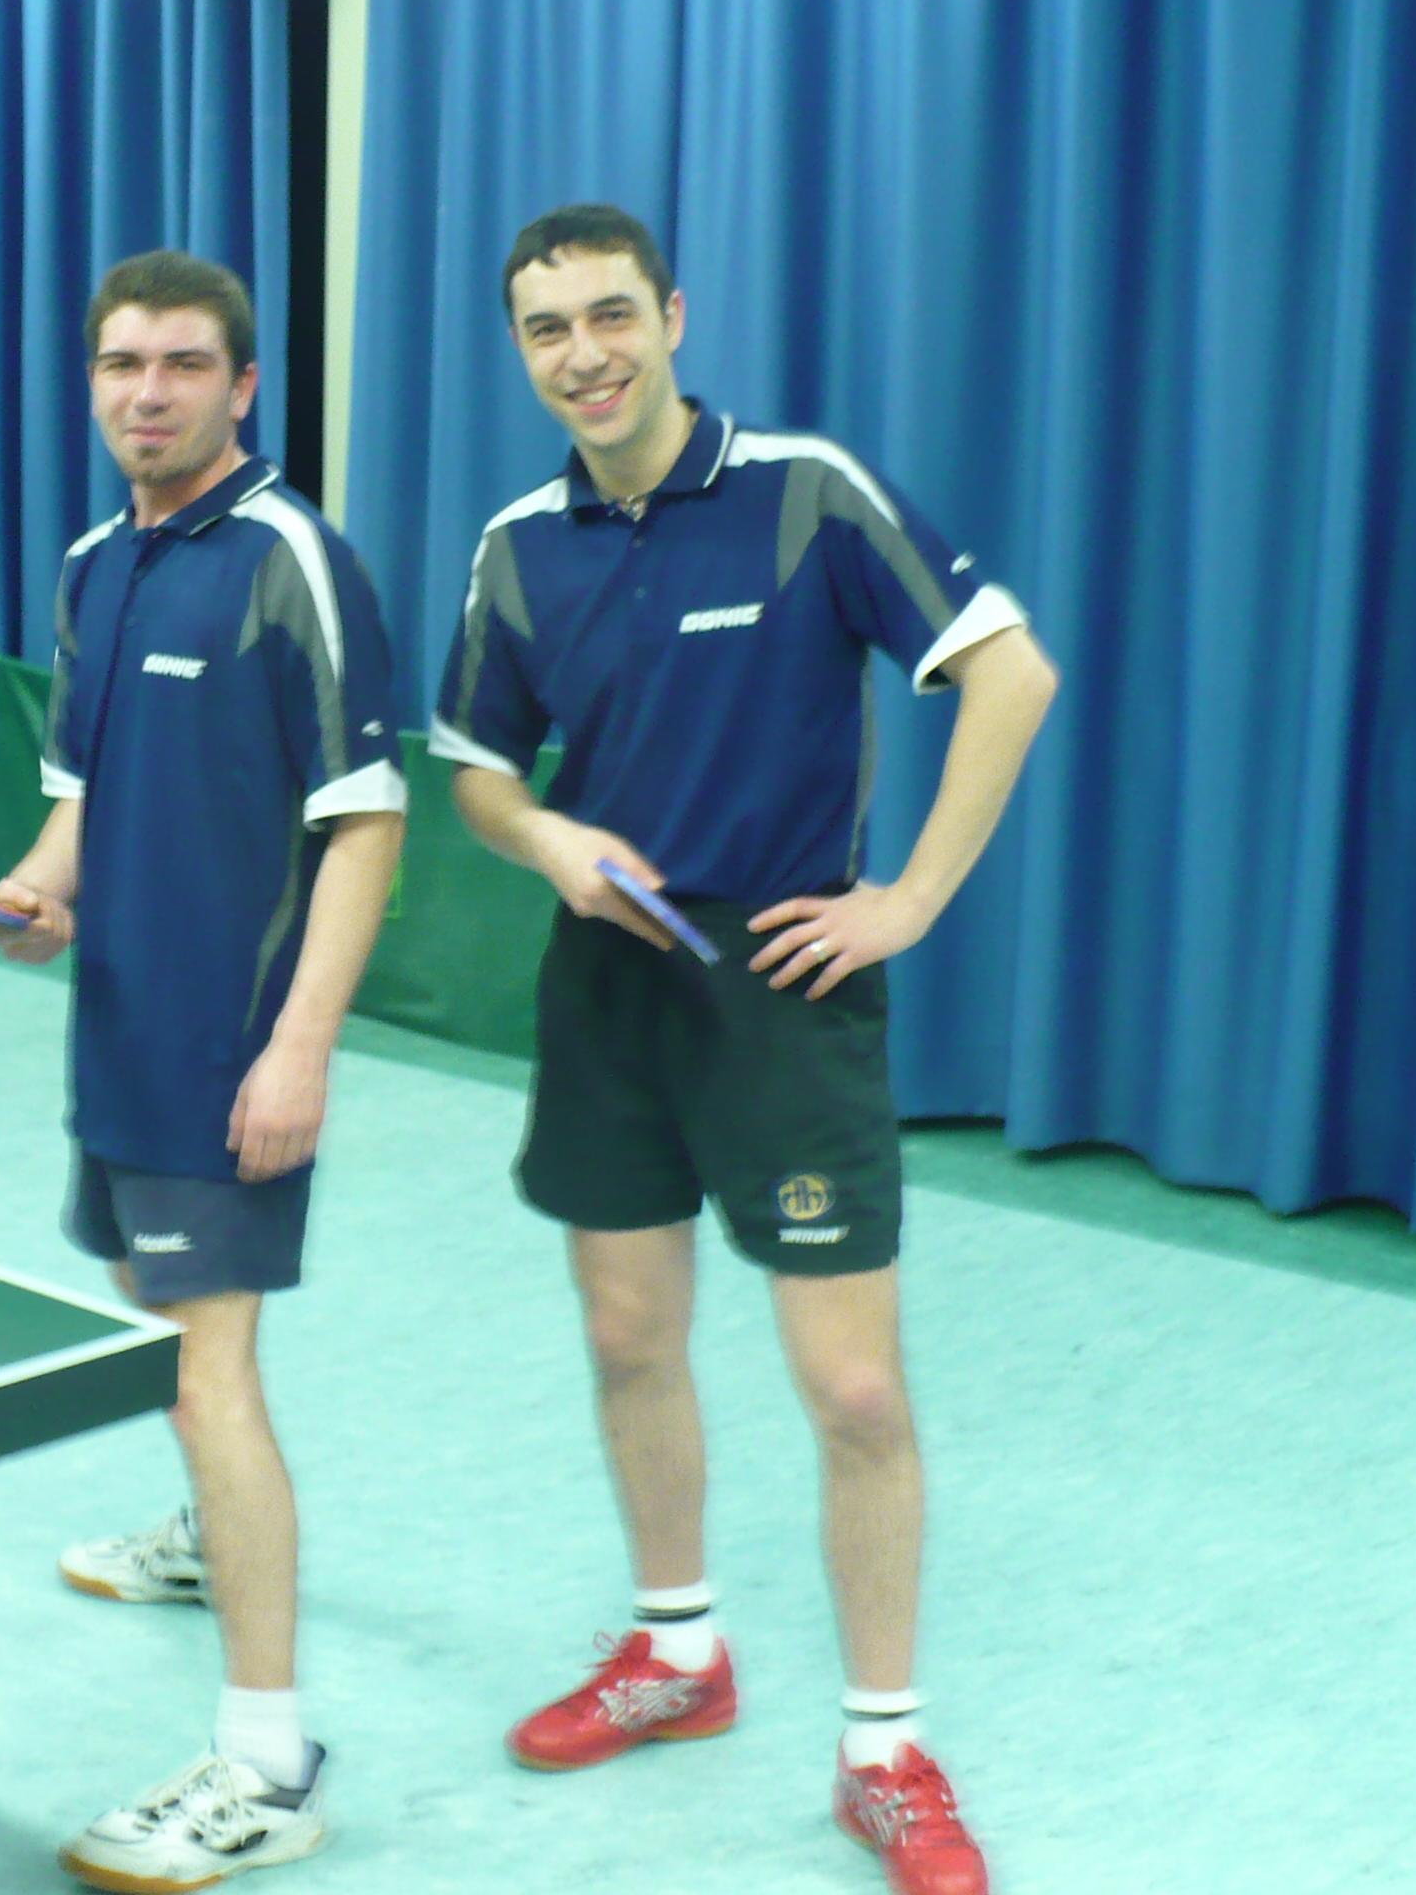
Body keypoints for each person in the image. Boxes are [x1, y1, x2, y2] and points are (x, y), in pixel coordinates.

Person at [430, 204, 1057, 1895]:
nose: (586, 355)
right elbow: (475, 769)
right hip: (607, 989)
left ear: (673, 316)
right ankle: (678, 1653)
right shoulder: (518, 546)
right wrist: (545, 839)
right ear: (522, 350)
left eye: (611, 315)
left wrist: (908, 900)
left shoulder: (805, 494)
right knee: (628, 1337)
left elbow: (1011, 673)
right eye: (549, 329)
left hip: (781, 992)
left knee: (854, 1391)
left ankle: (885, 1754)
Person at [0, 250, 407, 1892]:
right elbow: (80, 797)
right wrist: (40, 889)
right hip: (119, 1031)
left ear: (242, 386)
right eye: (120, 364)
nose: (145, 391)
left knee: (201, 1370)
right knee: (153, 1313)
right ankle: (202, 1538)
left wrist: (300, 1048)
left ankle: (269, 1763)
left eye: (180, 364)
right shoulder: (97, 565)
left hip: (231, 1051)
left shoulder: (293, 559)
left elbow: (366, 822)